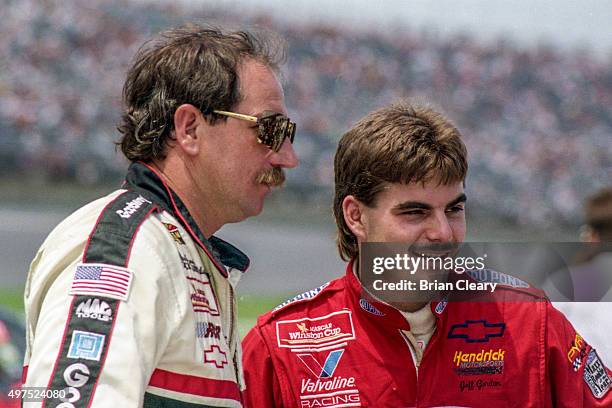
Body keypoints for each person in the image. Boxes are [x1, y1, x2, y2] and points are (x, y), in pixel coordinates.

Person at [241, 102, 611, 407]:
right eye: (415, 212)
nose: (443, 233)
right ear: (355, 216)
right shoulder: (279, 345)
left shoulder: (530, 322)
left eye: (454, 209)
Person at [22, 24, 298, 407]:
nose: (288, 157)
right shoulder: (128, 248)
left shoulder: (175, 249)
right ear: (189, 129)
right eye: (269, 129)